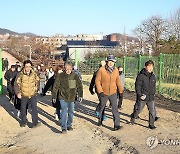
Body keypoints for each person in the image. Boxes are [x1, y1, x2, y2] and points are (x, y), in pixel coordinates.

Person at [52, 62, 83, 134]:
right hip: (62, 97)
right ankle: (64, 127)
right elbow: (55, 87)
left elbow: (79, 86)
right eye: (67, 69)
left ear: (72, 69)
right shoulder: (60, 76)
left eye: (70, 69)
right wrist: (54, 96)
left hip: (72, 97)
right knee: (64, 111)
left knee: (71, 112)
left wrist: (80, 95)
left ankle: (69, 125)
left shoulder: (75, 76)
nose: (68, 70)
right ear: (64, 69)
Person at [95, 54, 123, 131]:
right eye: (109, 61)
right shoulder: (101, 70)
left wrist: (120, 91)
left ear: (114, 63)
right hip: (104, 92)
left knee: (115, 109)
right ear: (107, 61)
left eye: (112, 61)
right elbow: (97, 81)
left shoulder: (116, 70)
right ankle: (100, 120)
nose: (111, 63)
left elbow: (118, 81)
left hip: (113, 92)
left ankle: (116, 125)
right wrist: (100, 91)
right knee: (102, 107)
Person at [130, 60, 157, 129]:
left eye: (152, 66)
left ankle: (151, 124)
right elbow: (137, 86)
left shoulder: (153, 76)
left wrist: (154, 93)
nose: (151, 68)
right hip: (143, 97)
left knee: (152, 111)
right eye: (149, 66)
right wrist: (140, 95)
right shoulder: (141, 76)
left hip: (151, 97)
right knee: (139, 110)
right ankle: (133, 116)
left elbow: (154, 86)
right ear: (145, 67)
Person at [14, 60, 40, 128]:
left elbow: (37, 81)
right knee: (23, 108)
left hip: (32, 94)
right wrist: (18, 93)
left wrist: (37, 89)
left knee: (34, 108)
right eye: (26, 66)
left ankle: (35, 122)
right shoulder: (20, 74)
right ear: (24, 67)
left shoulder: (34, 74)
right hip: (24, 94)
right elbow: (16, 84)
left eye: (29, 66)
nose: (28, 68)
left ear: (31, 66)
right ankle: (23, 121)